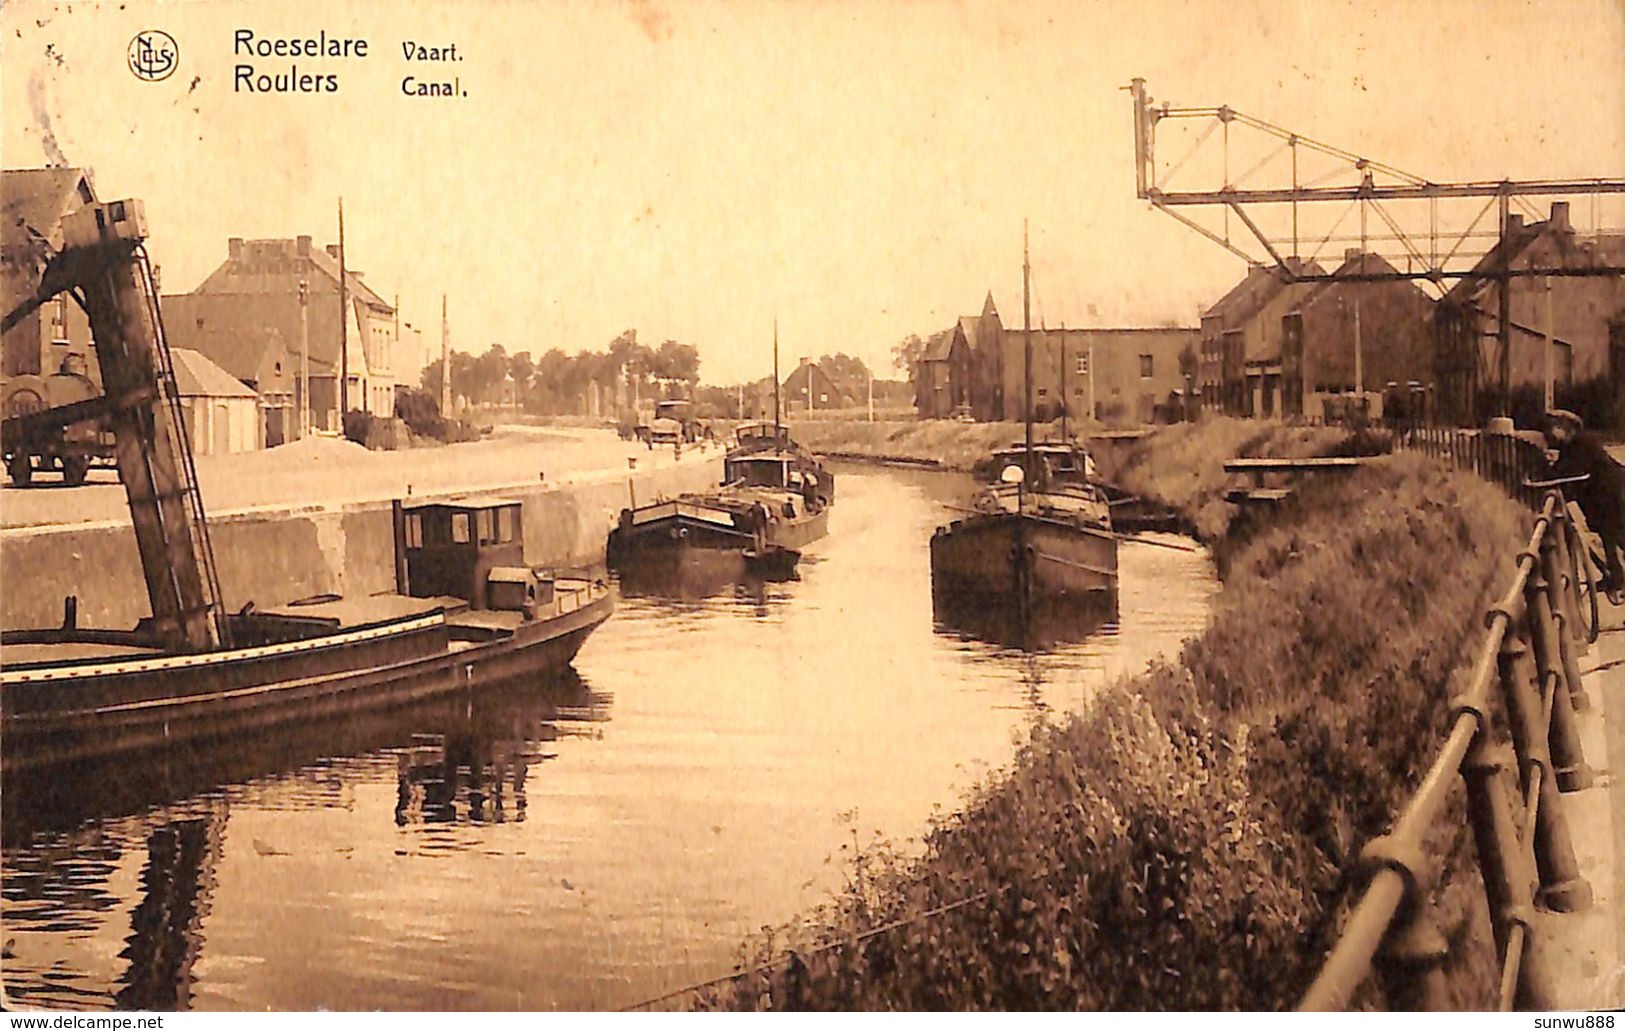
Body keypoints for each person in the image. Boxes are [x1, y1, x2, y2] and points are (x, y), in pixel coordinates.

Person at [1546, 409, 1625, 605]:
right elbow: (1564, 471)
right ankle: (1617, 579)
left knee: (1613, 536)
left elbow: (1569, 475)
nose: (1552, 432)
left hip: (1614, 496)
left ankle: (1618, 582)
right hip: (1606, 499)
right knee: (1613, 538)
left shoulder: (1582, 444)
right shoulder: (1572, 446)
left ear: (1567, 428)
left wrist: (1549, 474)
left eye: (1556, 427)